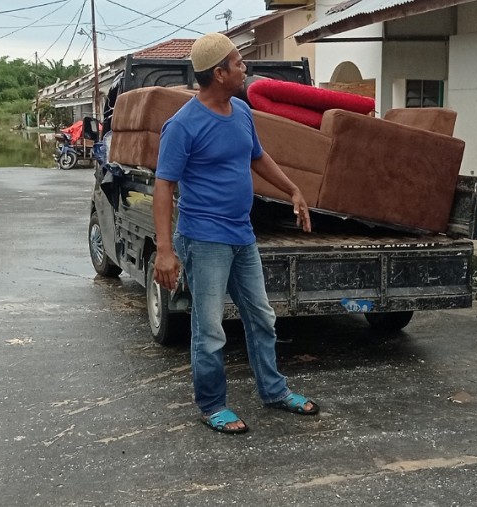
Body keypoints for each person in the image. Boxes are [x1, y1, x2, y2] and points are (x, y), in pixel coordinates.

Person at [152, 32, 319, 433]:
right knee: (209, 328)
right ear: (219, 73)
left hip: (242, 235)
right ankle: (212, 404)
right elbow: (163, 186)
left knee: (261, 316)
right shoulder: (183, 125)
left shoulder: (241, 111)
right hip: (204, 238)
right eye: (239, 62)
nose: (245, 68)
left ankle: (274, 392)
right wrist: (164, 249)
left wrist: (292, 189)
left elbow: (257, 157)